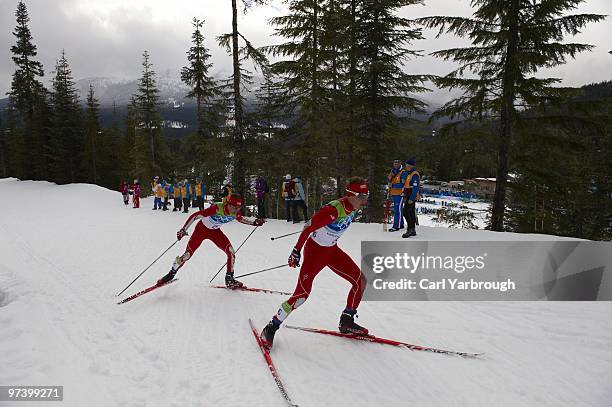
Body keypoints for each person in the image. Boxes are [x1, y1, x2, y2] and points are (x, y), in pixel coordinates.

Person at [259, 177, 370, 349]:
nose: (364, 201)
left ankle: (347, 320)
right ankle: (271, 327)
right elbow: (308, 227)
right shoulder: (332, 210)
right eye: (362, 197)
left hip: (332, 251)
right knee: (302, 295)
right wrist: (296, 251)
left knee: (360, 281)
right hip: (315, 253)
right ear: (351, 195)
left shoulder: (354, 207)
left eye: (366, 197)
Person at [156, 193, 266, 289]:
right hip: (201, 230)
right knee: (187, 255)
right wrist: (183, 229)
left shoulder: (235, 212)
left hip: (215, 232)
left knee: (231, 252)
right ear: (229, 204)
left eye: (238, 208)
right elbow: (195, 216)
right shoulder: (217, 208)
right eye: (234, 207)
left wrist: (254, 222)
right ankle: (171, 274)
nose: (236, 210)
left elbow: (240, 219)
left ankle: (229, 279)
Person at [387, 159, 408, 232]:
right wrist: (389, 179)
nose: (395, 165)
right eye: (394, 164)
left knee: (397, 210)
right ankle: (401, 223)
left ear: (400, 164)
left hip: (400, 194)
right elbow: (389, 180)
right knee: (399, 210)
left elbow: (402, 184)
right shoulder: (393, 171)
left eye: (397, 164)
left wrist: (392, 185)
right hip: (393, 193)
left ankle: (396, 226)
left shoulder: (403, 173)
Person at [402, 158, 420, 238]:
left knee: (405, 212)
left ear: (411, 166)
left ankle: (410, 229)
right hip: (408, 195)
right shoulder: (409, 173)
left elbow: (415, 188)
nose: (406, 167)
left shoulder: (414, 174)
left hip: (411, 196)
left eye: (408, 165)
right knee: (411, 212)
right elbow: (406, 184)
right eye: (406, 165)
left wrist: (412, 198)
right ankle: (412, 230)